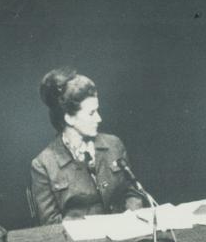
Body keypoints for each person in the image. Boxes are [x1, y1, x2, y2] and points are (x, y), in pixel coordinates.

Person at [29, 68, 142, 224]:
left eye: (98, 111)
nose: (99, 118)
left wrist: (131, 215)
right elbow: (50, 225)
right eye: (91, 113)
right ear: (69, 118)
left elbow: (133, 192)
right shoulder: (43, 165)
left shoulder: (114, 145)